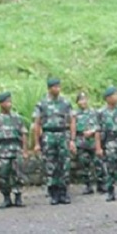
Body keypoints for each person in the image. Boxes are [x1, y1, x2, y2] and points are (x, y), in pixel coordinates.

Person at [33, 77, 76, 205]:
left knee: (64, 163)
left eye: (59, 86)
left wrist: (72, 139)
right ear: (49, 88)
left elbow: (72, 120)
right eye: (54, 87)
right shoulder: (42, 104)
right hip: (48, 135)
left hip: (63, 134)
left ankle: (64, 192)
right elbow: (37, 123)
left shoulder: (66, 103)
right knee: (50, 164)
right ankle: (53, 192)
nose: (57, 89)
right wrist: (36, 143)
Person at [0, 91, 28, 208]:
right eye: (7, 102)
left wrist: (24, 150)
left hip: (15, 148)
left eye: (10, 101)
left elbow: (23, 134)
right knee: (3, 176)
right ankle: (6, 198)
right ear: (1, 104)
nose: (9, 104)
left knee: (18, 174)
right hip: (1, 150)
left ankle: (18, 197)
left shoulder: (17, 118)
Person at [73, 92, 99, 195]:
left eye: (84, 99)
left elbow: (99, 125)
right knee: (84, 164)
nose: (83, 102)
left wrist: (92, 131)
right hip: (81, 142)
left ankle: (101, 184)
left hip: (93, 141)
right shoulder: (74, 114)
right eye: (80, 100)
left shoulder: (94, 112)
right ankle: (88, 185)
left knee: (98, 164)